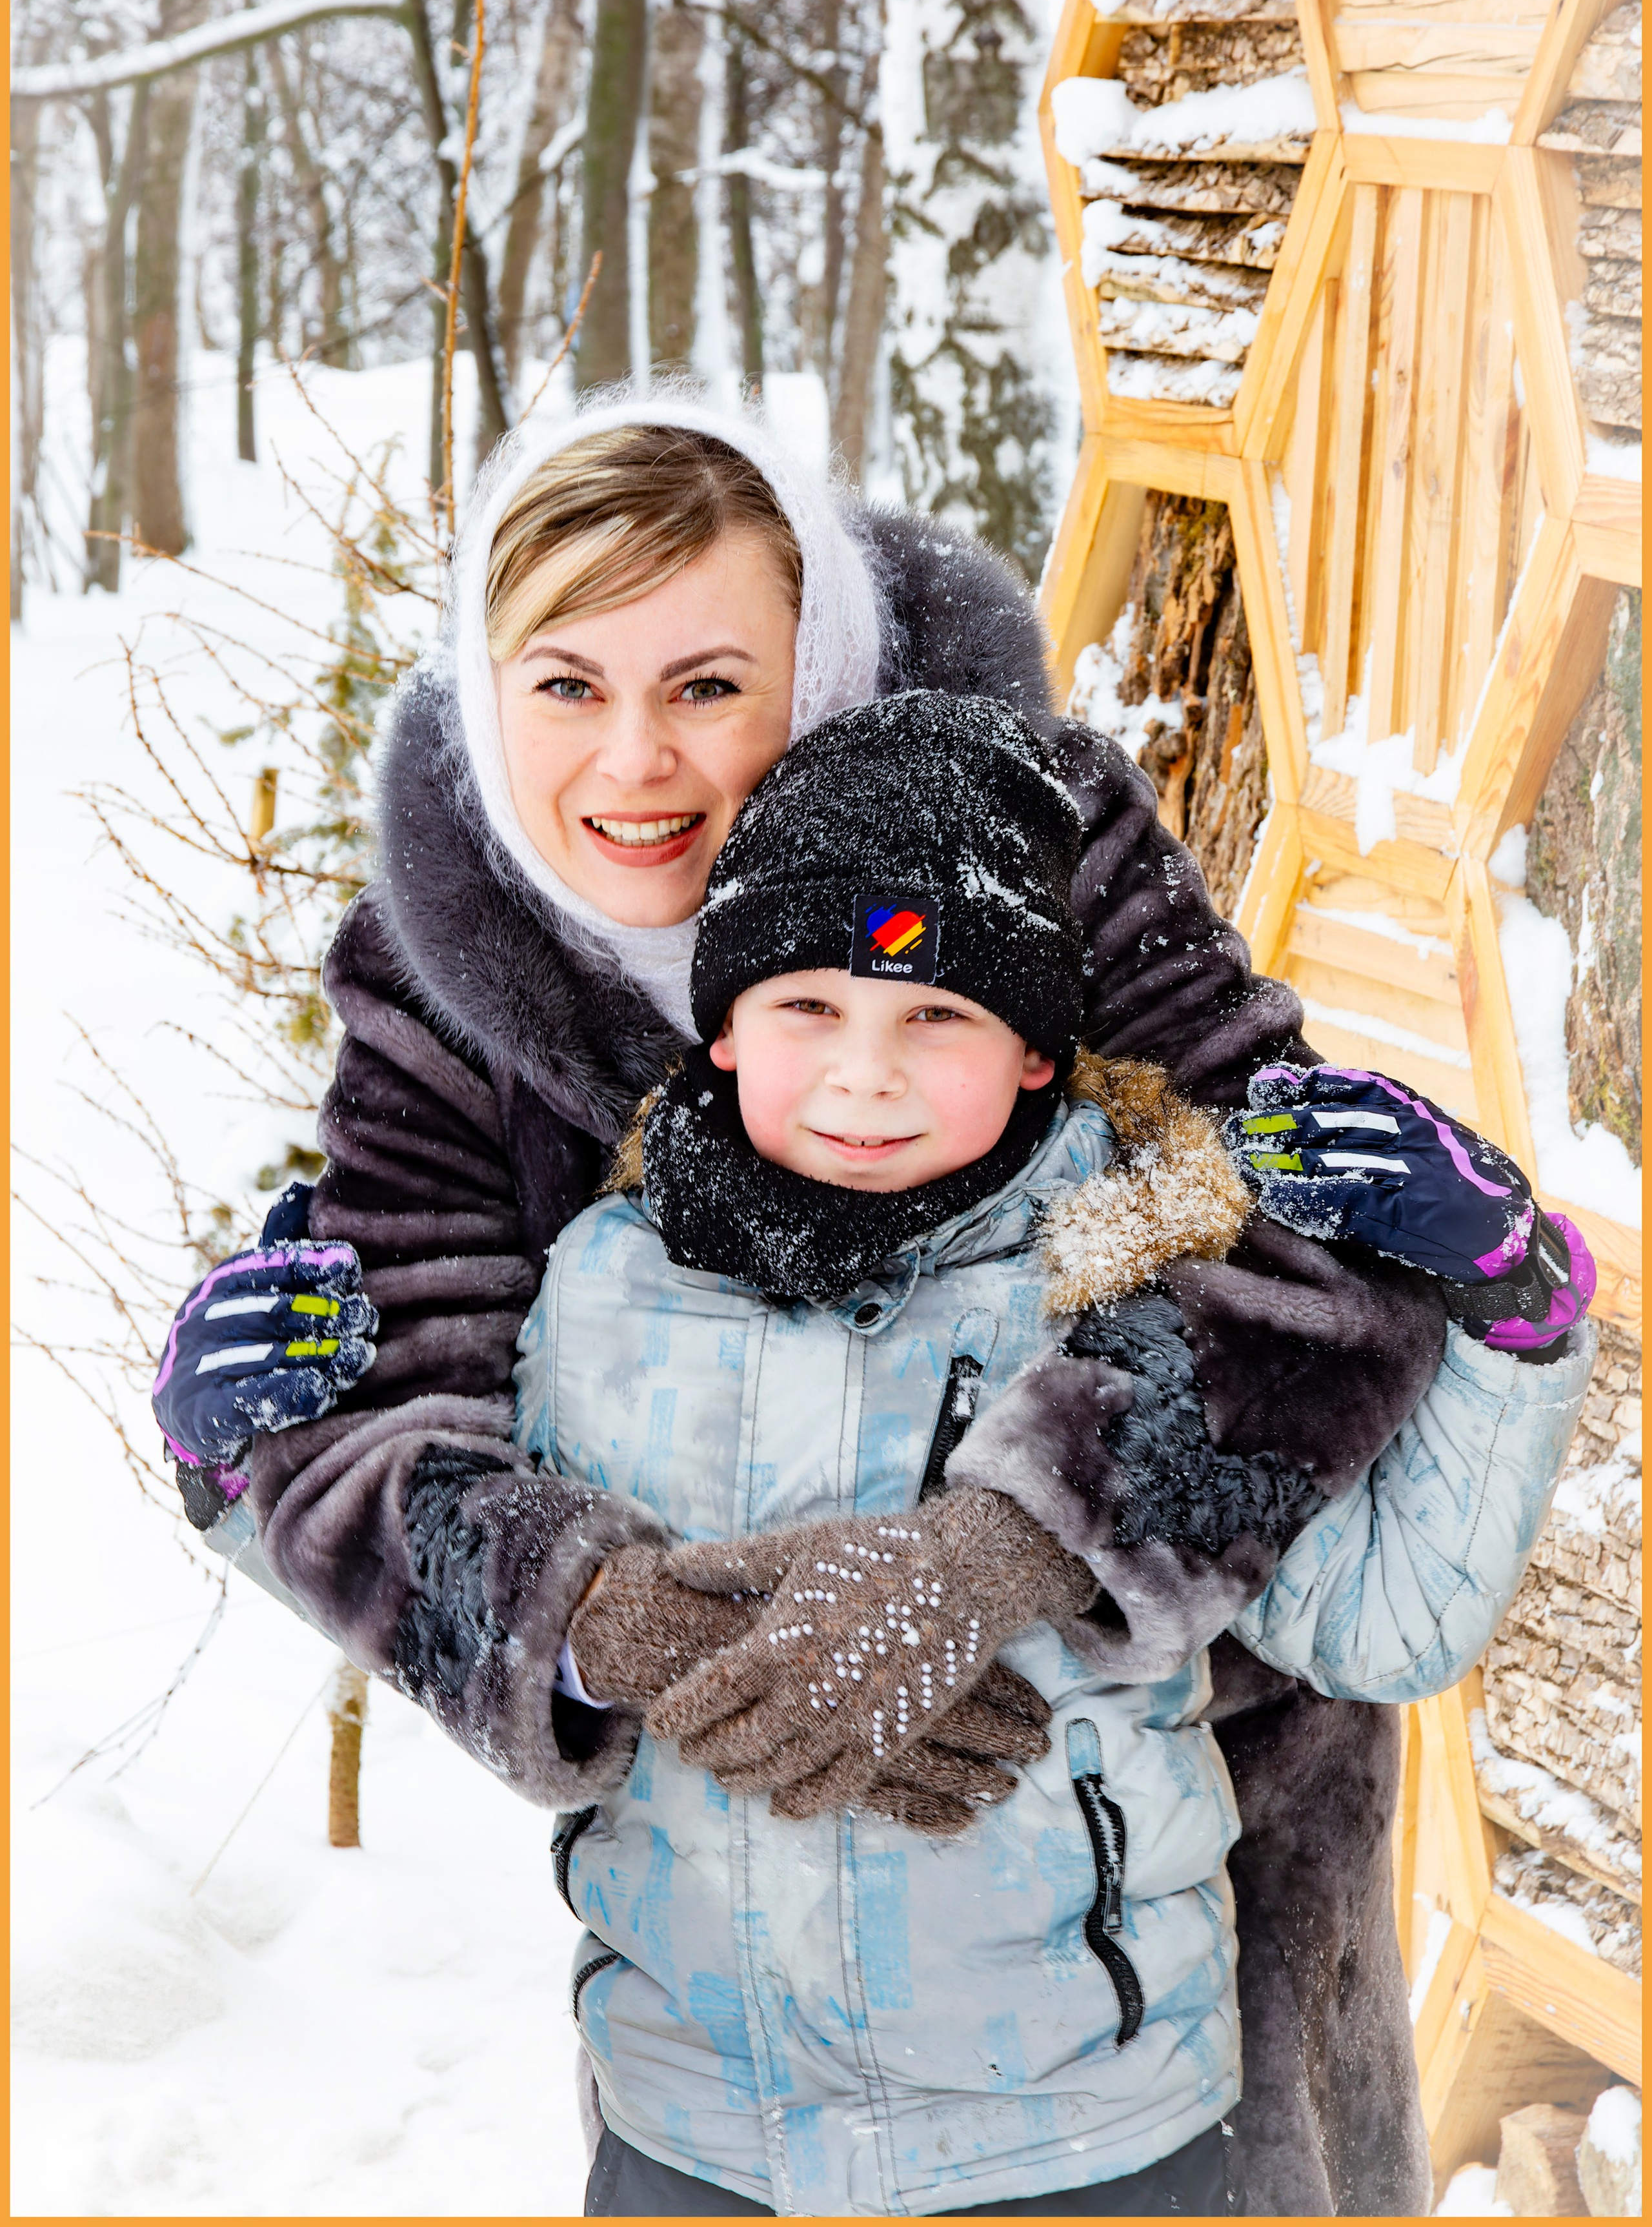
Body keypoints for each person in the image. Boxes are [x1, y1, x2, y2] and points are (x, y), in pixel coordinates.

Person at [148, 397, 1582, 2213]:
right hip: (741, 1958)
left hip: (1150, 1859)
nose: (636, 766)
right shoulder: (454, 983)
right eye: (568, 685)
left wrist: (1005, 1557)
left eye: (708, 684)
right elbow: (395, 1412)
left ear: (816, 663)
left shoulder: (1021, 837)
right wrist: (631, 1623)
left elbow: (1295, 1225)